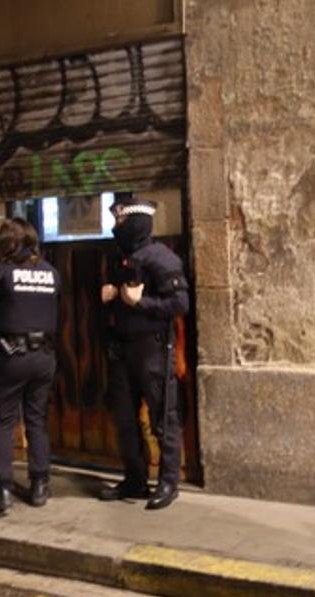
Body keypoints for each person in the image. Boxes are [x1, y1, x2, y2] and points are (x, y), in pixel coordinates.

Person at [97, 196, 189, 510]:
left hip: (152, 350)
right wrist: (112, 295)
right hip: (122, 351)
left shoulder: (162, 258)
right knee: (125, 419)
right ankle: (134, 480)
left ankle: (168, 482)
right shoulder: (122, 257)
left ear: (136, 222)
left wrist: (141, 303)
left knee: (164, 418)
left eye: (120, 221)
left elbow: (180, 304)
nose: (114, 227)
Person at [0, 218, 60, 514]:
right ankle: (39, 486)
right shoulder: (51, 273)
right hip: (44, 356)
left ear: (6, 244)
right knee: (36, 420)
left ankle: (3, 490)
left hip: (12, 356)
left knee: (4, 422)